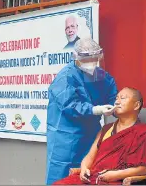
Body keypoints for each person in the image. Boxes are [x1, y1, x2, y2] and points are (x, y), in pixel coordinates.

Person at [53, 87, 146, 185]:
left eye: (123, 98)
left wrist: (115, 175)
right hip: (95, 178)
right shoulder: (106, 129)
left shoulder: (145, 133)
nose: (117, 102)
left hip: (118, 180)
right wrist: (84, 168)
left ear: (136, 105)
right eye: (116, 98)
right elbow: (90, 156)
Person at [46, 38, 118, 185]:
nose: (91, 63)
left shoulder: (102, 77)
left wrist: (117, 108)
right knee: (62, 175)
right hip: (65, 136)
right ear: (77, 58)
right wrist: (96, 109)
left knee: (87, 173)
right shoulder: (66, 76)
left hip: (91, 134)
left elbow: (112, 95)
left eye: (94, 59)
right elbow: (69, 104)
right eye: (88, 60)